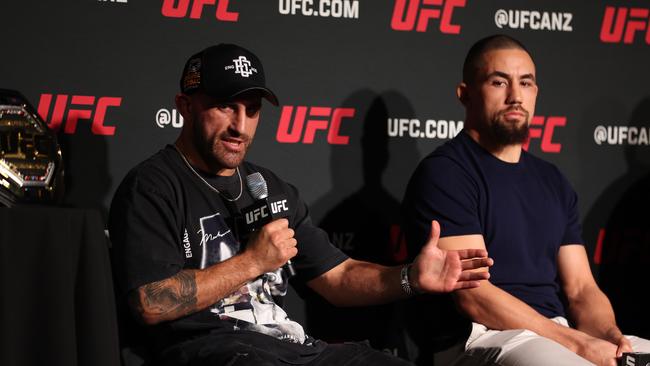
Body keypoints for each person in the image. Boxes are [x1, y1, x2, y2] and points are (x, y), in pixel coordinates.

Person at [108, 43, 492, 366]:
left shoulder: (270, 187)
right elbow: (151, 302)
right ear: (185, 106)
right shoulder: (153, 186)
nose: (240, 126)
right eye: (225, 106)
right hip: (216, 351)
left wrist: (410, 277)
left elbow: (339, 278)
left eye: (252, 109)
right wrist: (253, 261)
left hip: (293, 350)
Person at [402, 34, 650, 366]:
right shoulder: (446, 173)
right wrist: (578, 345)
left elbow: (581, 290)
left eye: (526, 83)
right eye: (498, 82)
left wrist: (609, 335)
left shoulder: (553, 181)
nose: (515, 96)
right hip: (480, 337)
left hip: (556, 333)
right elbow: (474, 298)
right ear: (466, 94)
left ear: (536, 93)